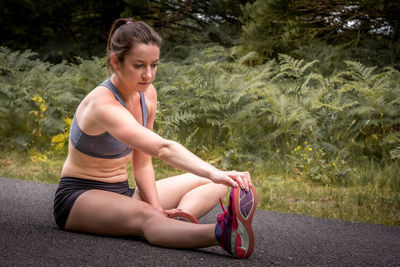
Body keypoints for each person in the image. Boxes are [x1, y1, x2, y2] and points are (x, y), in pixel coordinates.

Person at [53, 18, 257, 259]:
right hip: (80, 198)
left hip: (123, 192)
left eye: (154, 65)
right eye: (139, 65)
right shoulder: (102, 105)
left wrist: (162, 206)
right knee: (147, 217)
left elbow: (142, 162)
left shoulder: (147, 95)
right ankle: (222, 234)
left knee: (218, 184)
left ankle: (178, 219)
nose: (148, 75)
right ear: (115, 62)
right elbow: (162, 148)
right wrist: (212, 171)